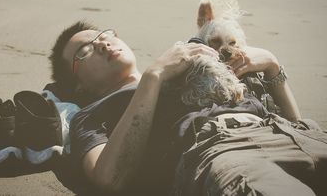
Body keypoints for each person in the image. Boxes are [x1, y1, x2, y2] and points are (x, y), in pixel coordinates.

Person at [50, 21, 327, 195]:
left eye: (102, 35)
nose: (102, 44)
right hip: (223, 151)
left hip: (290, 134)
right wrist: (153, 76)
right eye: (84, 51)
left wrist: (271, 63)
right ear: (78, 87)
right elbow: (109, 178)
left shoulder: (185, 63)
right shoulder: (89, 117)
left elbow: (294, 122)